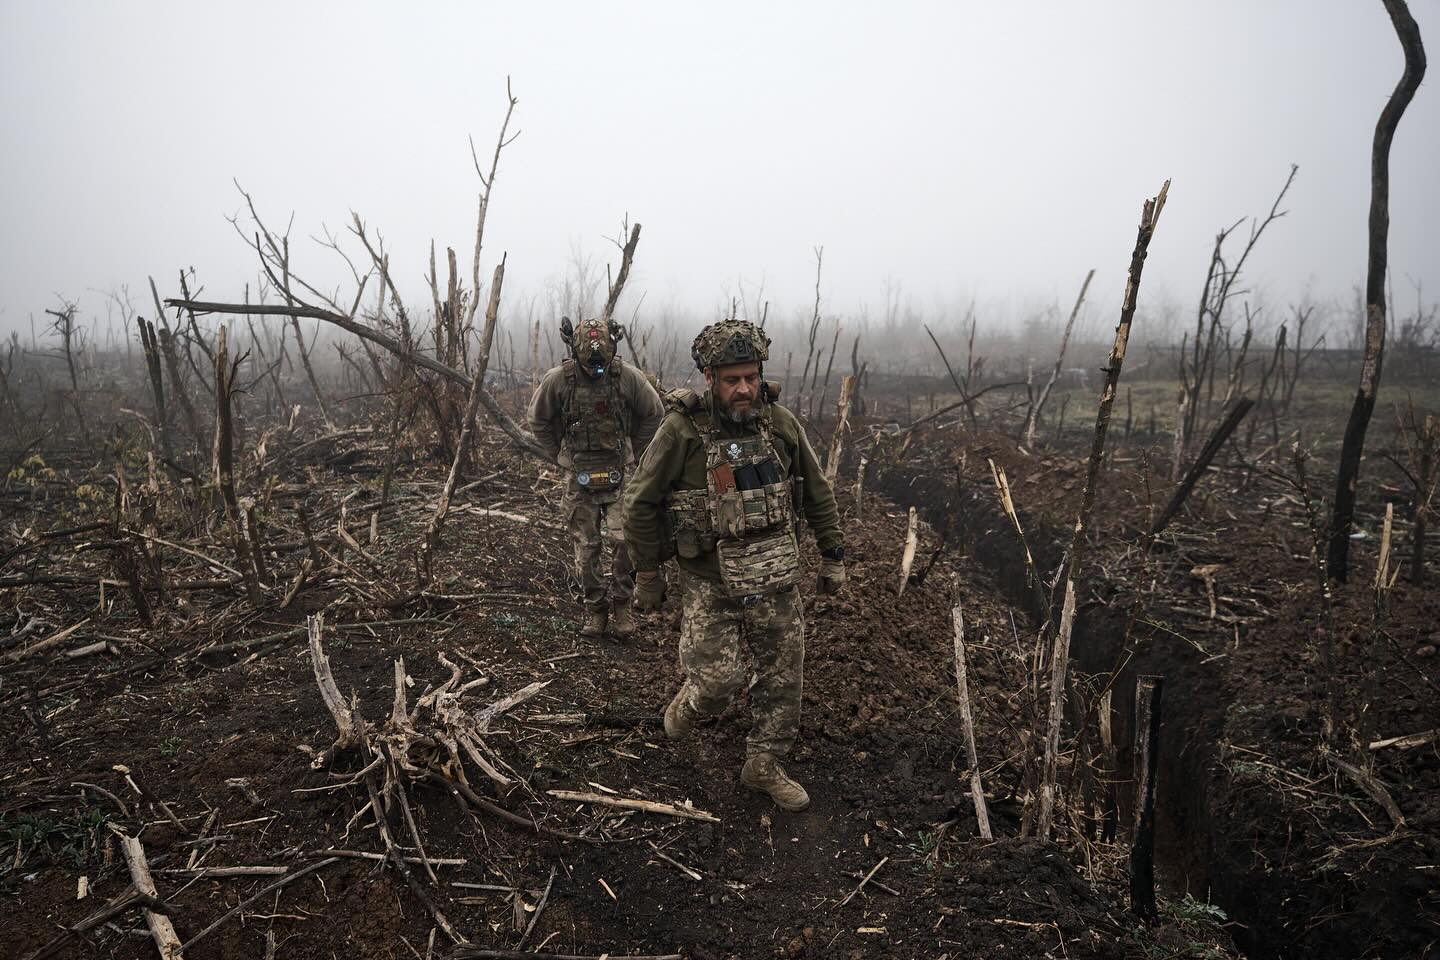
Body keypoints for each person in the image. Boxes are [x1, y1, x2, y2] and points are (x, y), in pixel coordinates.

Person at [623, 319, 845, 811]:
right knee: (718, 683)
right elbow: (639, 502)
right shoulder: (682, 431)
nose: (743, 388)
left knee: (784, 678)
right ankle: (692, 702)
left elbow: (817, 490)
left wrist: (833, 556)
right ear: (709, 377)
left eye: (750, 376)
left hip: (775, 578)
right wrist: (648, 574)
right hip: (709, 581)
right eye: (731, 379)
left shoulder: (780, 424)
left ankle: (762, 765)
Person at [527, 316, 664, 639]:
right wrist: (559, 455)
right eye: (590, 366)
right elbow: (538, 419)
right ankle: (596, 609)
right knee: (586, 548)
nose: (596, 371)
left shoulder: (627, 377)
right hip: (579, 477)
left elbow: (653, 412)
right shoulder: (559, 380)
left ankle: (621, 604)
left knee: (625, 540)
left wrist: (637, 451)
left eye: (601, 365)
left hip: (618, 472)